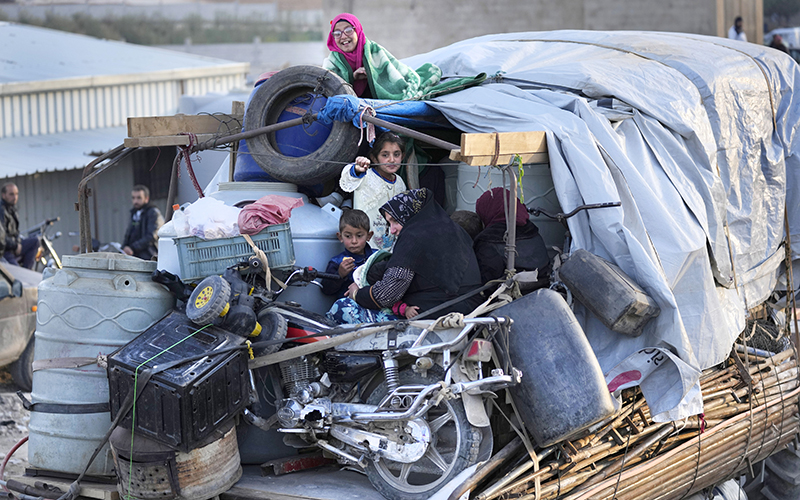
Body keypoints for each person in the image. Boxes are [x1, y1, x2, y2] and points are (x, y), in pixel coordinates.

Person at [327, 188, 483, 325]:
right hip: (470, 311)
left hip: (435, 317)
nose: (392, 230)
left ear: (410, 215)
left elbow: (387, 295)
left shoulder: (414, 237)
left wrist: (357, 293)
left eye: (395, 221)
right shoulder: (456, 231)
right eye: (389, 223)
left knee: (342, 307)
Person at [322, 13, 443, 100]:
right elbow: (327, 90)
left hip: (379, 104)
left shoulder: (374, 51)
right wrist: (352, 77)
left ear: (358, 30)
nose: (343, 37)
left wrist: (372, 74)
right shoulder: (332, 61)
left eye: (348, 30)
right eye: (337, 33)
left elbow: (394, 75)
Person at [340, 132, 408, 251]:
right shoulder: (365, 176)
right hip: (364, 246)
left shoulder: (400, 182)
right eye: (385, 155)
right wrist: (357, 168)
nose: (392, 160)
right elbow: (348, 178)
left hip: (390, 247)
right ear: (374, 158)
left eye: (396, 154)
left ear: (402, 156)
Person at [473, 188, 551, 289]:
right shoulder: (533, 232)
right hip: (544, 295)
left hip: (508, 300)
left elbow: (487, 285)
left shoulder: (487, 242)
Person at [320, 208, 375, 297]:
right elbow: (326, 290)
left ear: (369, 236)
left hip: (372, 304)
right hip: (347, 306)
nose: (354, 241)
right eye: (348, 236)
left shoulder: (377, 257)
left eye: (359, 235)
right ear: (340, 237)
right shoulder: (337, 262)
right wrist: (340, 274)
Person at [0, 183, 39, 269]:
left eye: (16, 194)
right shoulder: (1, 210)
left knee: (35, 241)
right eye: (11, 194)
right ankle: (23, 276)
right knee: (16, 275)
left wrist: (18, 243)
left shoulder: (12, 209)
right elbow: (1, 237)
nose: (15, 197)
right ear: (3, 195)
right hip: (5, 250)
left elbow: (16, 232)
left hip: (14, 245)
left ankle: (26, 271)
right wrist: (15, 246)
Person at [122, 185, 163, 260]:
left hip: (150, 256)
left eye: (139, 198)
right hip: (135, 256)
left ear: (146, 199)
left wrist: (132, 248)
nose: (135, 201)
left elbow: (151, 236)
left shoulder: (153, 212)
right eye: (133, 198)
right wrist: (124, 247)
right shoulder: (134, 213)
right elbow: (129, 233)